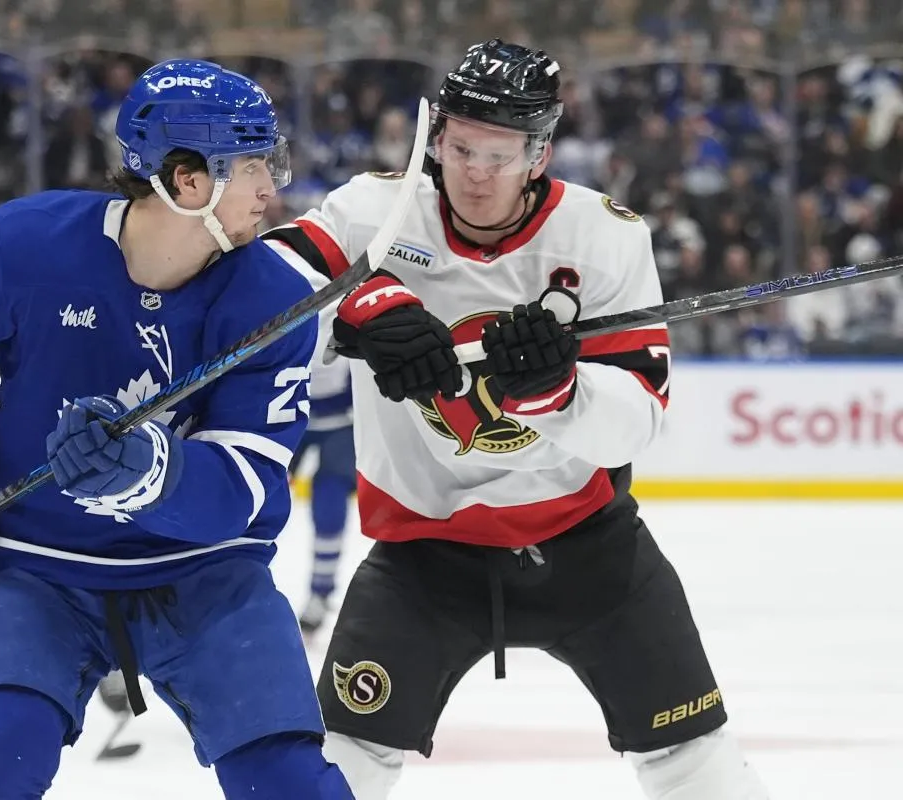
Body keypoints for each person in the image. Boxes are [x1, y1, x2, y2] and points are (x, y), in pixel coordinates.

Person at [262, 40, 770, 799]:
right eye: (460, 146)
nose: (473, 171)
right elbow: (252, 303)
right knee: (344, 763)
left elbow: (638, 423)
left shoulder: (605, 237)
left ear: (540, 155)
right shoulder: (375, 211)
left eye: (498, 155)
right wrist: (356, 311)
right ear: (434, 137)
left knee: (692, 759)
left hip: (589, 548)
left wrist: (558, 393)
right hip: (422, 554)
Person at [0, 58, 354, 800]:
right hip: (39, 569)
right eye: (254, 164)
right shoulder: (30, 248)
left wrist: (150, 474)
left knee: (290, 782)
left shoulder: (277, 301)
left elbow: (250, 489)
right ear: (186, 180)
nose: (272, 187)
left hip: (208, 575)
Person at [287, 352, 355, 636]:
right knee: (253, 500)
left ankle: (320, 592)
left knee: (329, 501)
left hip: (342, 420)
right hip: (285, 412)